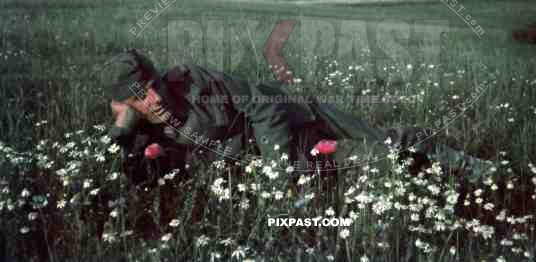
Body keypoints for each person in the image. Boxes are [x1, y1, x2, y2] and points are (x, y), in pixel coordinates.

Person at [104, 49, 492, 235]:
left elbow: (263, 107)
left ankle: (476, 169)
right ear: (123, 103)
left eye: (152, 87)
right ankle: (435, 172)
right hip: (286, 150)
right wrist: (122, 132)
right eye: (140, 97)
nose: (153, 98)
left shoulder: (195, 82)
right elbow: (131, 180)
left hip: (296, 114)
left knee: (385, 139)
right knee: (376, 157)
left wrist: (277, 174)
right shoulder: (136, 132)